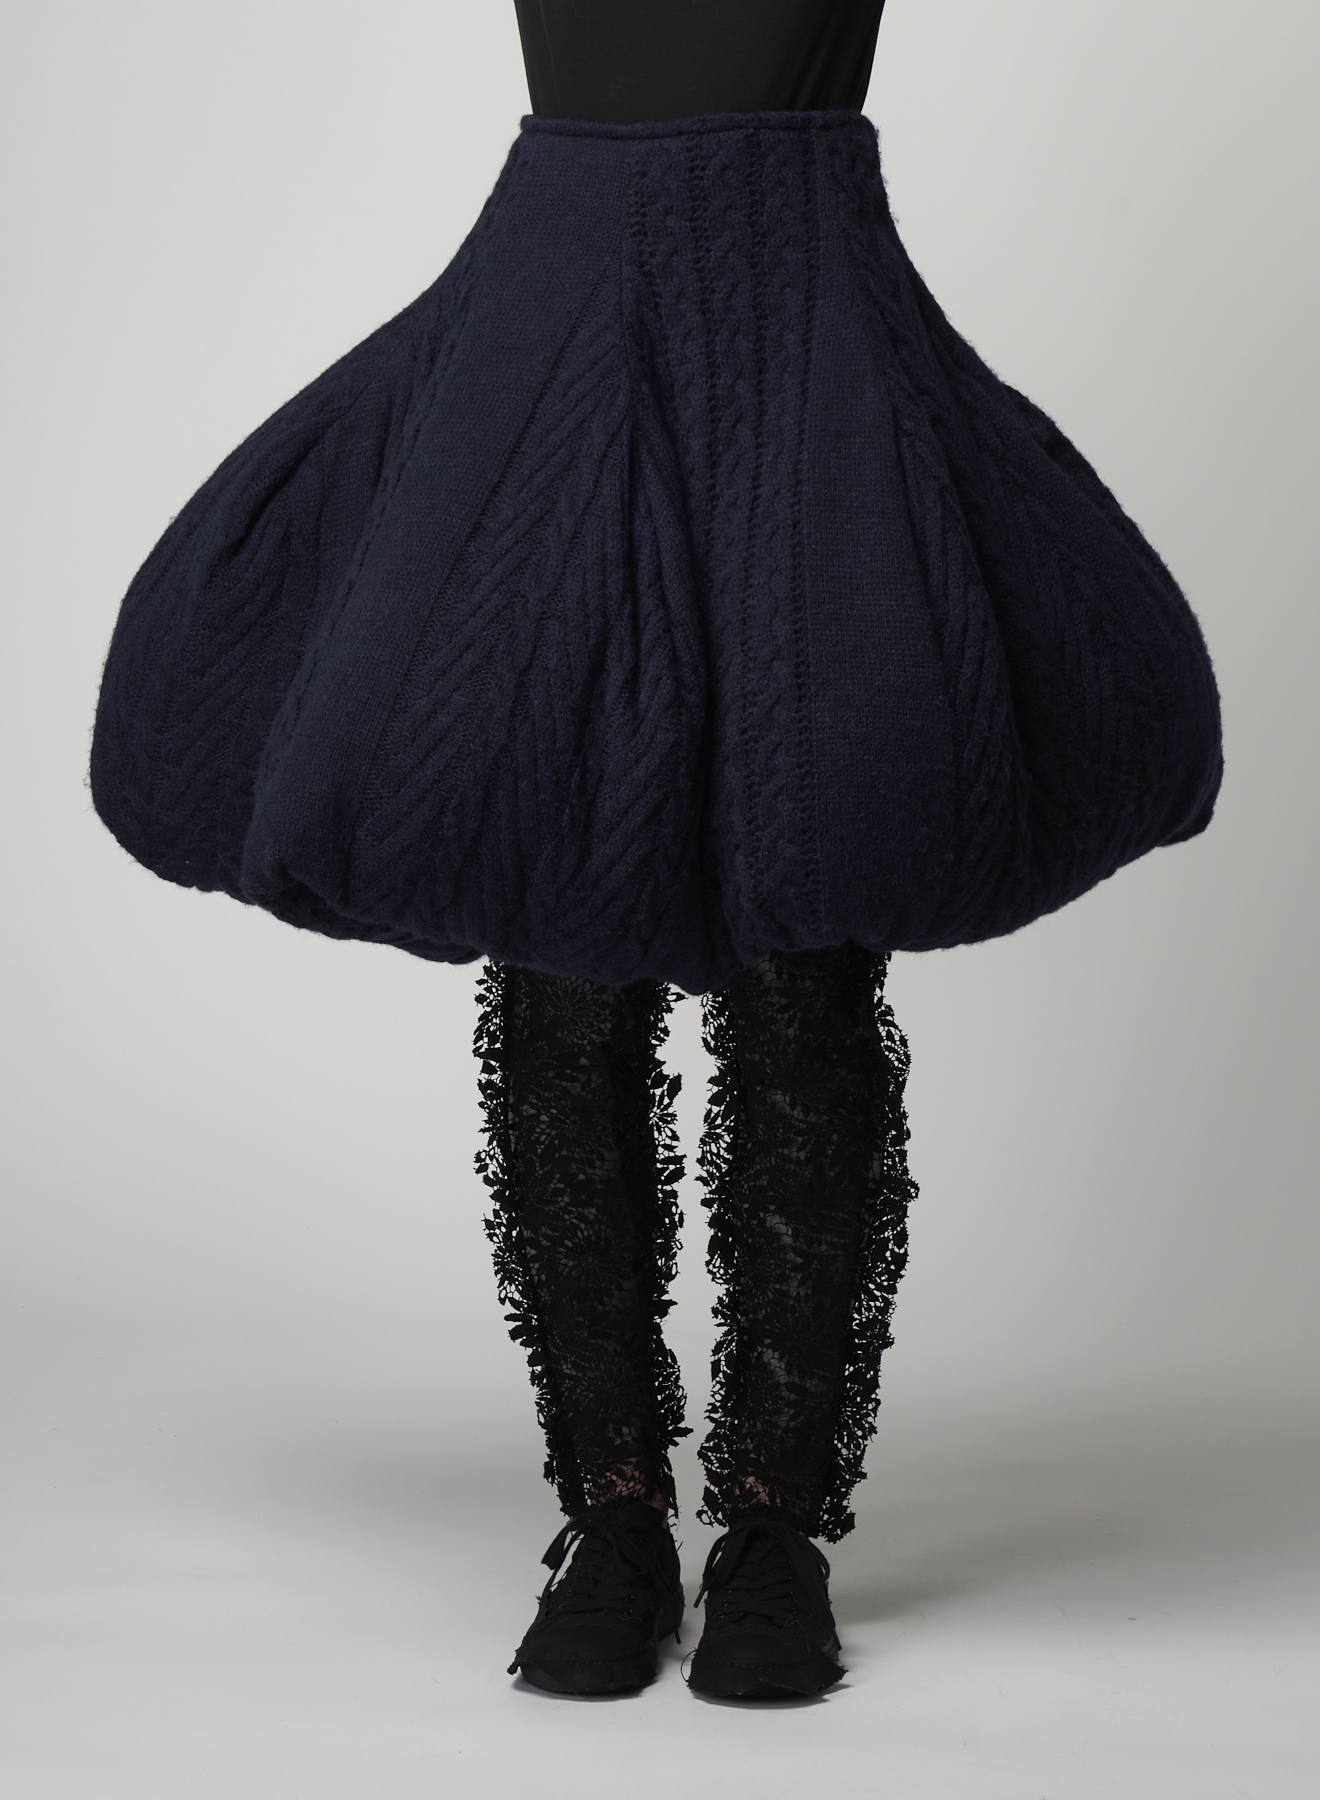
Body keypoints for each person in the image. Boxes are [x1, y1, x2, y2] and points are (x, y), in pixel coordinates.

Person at [88, 0, 1223, 1701]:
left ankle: (773, 1526)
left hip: (804, 319)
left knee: (809, 930)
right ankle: (611, 1516)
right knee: (559, 907)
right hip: (558, 299)